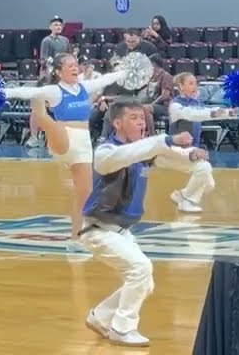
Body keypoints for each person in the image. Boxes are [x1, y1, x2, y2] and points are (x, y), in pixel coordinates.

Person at [63, 98, 203, 347]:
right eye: (134, 118)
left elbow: (166, 155)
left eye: (142, 118)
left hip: (121, 230)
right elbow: (132, 153)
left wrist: (190, 154)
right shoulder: (106, 152)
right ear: (117, 123)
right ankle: (122, 328)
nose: (141, 122)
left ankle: (101, 317)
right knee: (140, 269)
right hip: (97, 229)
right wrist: (165, 140)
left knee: (145, 283)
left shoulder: (144, 152)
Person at [4, 55, 130, 240]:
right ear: (58, 72)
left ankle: (76, 238)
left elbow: (105, 79)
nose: (74, 68)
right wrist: (2, 92)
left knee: (84, 194)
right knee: (40, 102)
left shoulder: (83, 87)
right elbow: (26, 91)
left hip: (83, 144)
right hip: (63, 137)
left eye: (75, 65)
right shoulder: (55, 90)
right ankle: (41, 122)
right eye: (69, 65)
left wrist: (126, 72)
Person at [164, 73, 230, 212]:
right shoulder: (175, 105)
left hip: (192, 150)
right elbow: (194, 114)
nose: (195, 86)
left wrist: (228, 112)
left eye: (195, 83)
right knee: (204, 168)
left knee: (209, 184)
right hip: (176, 150)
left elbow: (206, 111)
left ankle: (182, 197)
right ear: (181, 86)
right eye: (190, 83)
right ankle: (185, 198)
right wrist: (215, 113)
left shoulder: (196, 103)